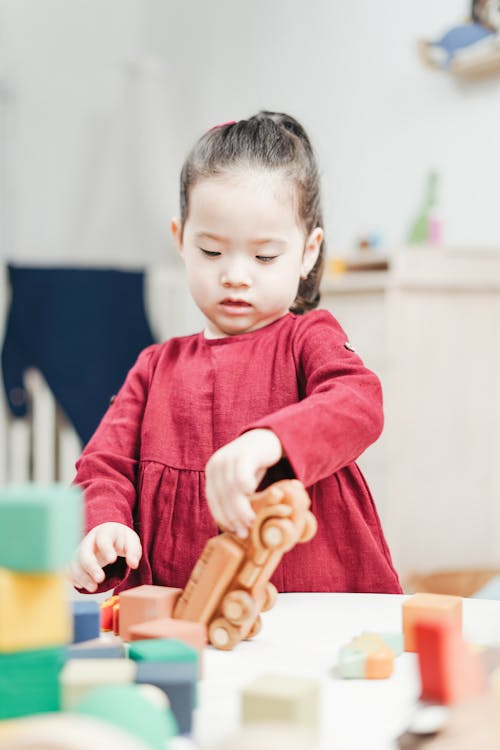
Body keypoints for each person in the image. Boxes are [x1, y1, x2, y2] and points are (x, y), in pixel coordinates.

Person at [69, 111, 401, 595]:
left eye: (265, 256)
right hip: (184, 618)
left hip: (311, 607)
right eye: (211, 251)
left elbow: (359, 402)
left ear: (308, 253)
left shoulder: (308, 337)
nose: (236, 275)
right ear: (181, 240)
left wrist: (272, 441)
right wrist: (103, 529)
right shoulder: (154, 367)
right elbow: (103, 465)